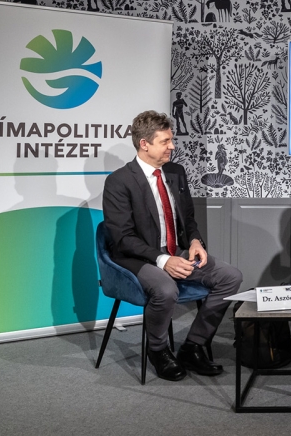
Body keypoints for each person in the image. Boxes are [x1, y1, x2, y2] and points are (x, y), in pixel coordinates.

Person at [103, 111, 242, 381]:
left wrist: (195, 241)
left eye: (171, 140)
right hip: (136, 258)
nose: (172, 146)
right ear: (144, 144)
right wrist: (163, 260)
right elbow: (123, 238)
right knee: (166, 290)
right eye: (165, 141)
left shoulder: (176, 172)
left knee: (230, 276)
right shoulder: (119, 181)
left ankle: (194, 346)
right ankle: (158, 350)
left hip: (174, 250)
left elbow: (187, 219)